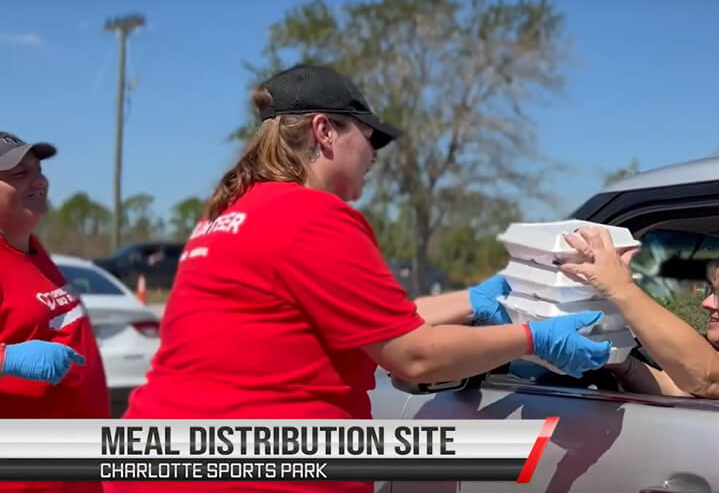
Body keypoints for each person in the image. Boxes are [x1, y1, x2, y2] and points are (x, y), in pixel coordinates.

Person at [106, 65, 610, 493]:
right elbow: (413, 356)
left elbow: (367, 323)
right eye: (369, 138)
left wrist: (472, 302)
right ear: (325, 132)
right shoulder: (313, 216)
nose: (374, 156)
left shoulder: (232, 213)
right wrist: (532, 338)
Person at [560, 226, 719, 404]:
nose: (706, 303)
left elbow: (707, 376)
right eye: (711, 291)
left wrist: (620, 287)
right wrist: (620, 361)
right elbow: (679, 389)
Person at [0, 131, 110, 492]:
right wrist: (8, 359)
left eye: (39, 170)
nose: (39, 181)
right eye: (20, 174)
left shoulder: (33, 249)